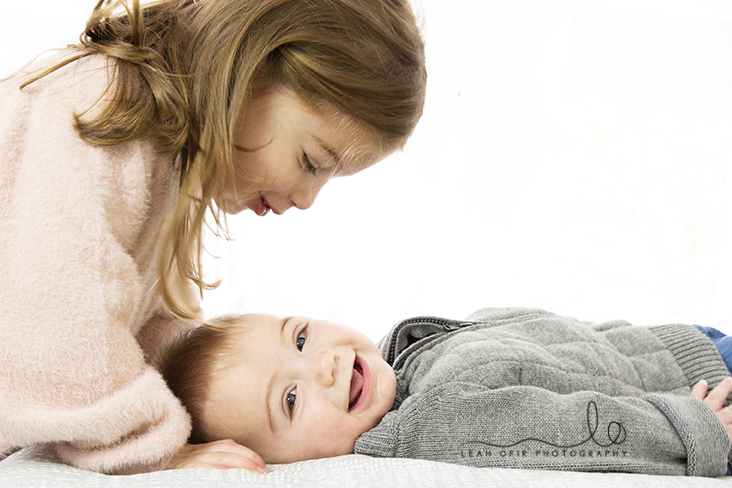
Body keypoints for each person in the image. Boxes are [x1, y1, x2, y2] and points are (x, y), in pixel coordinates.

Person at [0, 0, 426, 475]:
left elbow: (133, 326)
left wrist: (217, 392)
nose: (307, 199)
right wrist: (149, 445)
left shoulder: (162, 158)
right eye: (311, 162)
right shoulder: (99, 112)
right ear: (250, 70)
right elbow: (52, 323)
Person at [161, 307, 732, 477]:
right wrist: (689, 431)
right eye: (290, 399)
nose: (326, 365)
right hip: (704, 391)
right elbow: (566, 434)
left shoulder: (402, 358)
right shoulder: (432, 427)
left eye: (301, 338)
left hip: (675, 343)